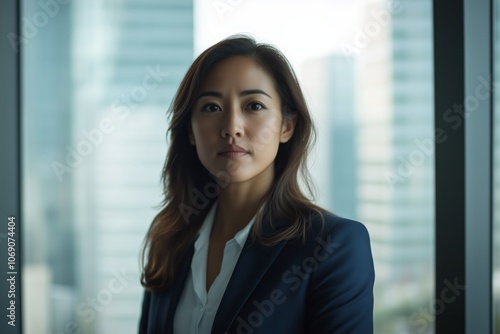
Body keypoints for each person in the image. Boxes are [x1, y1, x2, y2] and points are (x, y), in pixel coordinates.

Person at [138, 35, 374, 334]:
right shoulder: (170, 237)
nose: (232, 127)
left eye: (254, 105)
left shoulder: (333, 246)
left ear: (286, 126)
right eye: (211, 107)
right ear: (191, 132)